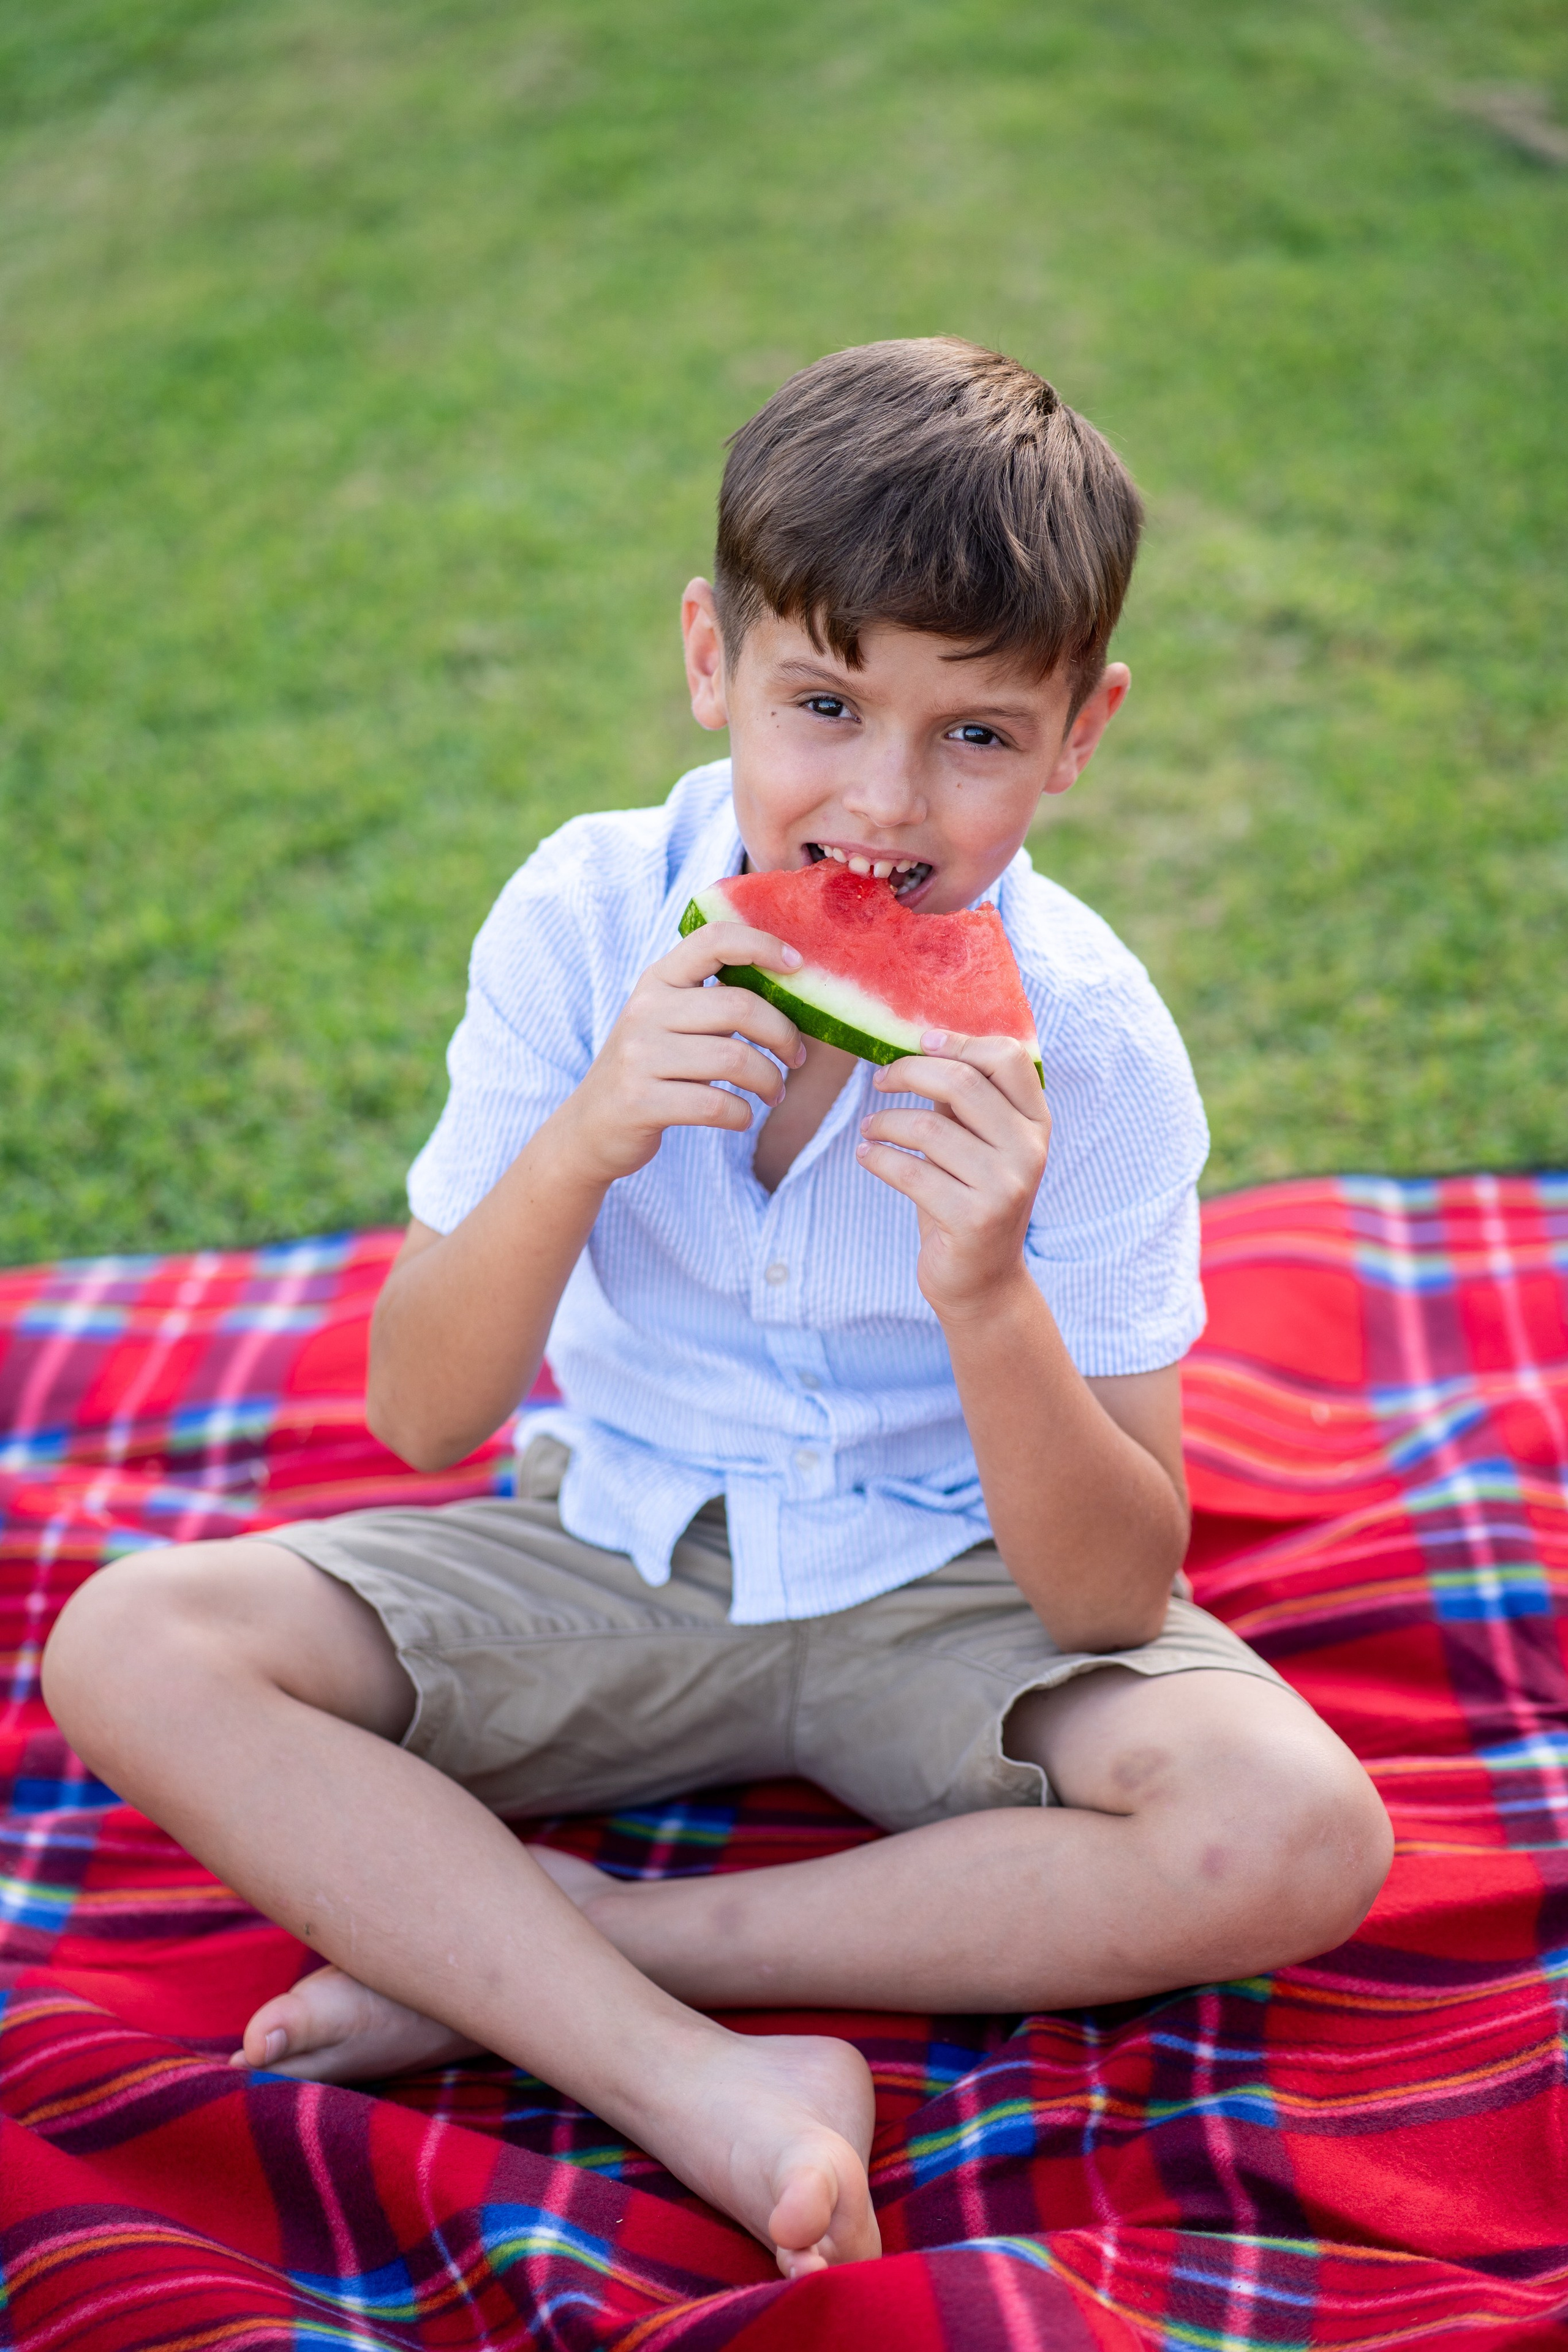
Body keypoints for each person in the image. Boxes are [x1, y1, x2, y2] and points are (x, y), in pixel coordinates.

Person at [43, 338, 1392, 2280]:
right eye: (824, 703)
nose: (881, 803)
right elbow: (424, 1417)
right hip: (618, 1544)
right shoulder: (585, 918)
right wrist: (584, 1141)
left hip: (952, 1592)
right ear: (712, 660)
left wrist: (987, 1290)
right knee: (133, 1639)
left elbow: (1112, 1595)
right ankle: (694, 2078)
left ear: (1085, 733)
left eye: (978, 737)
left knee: (1300, 1836)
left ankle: (563, 1940)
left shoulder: (1088, 1039)